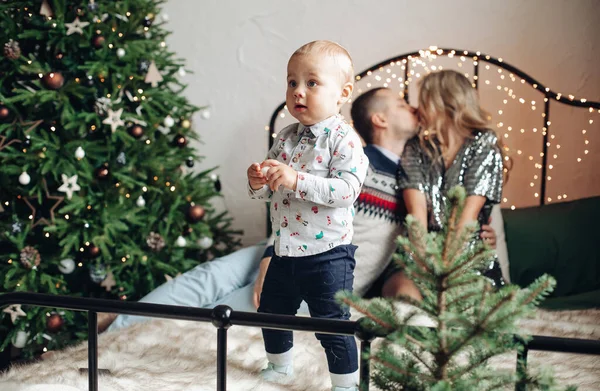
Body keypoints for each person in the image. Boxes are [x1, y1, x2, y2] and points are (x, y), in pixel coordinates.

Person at [106, 87, 501, 331]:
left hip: (317, 272)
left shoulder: (422, 181)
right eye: (402, 103)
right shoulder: (344, 156)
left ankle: (146, 339)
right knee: (208, 276)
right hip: (280, 246)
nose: (415, 109)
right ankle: (114, 331)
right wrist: (268, 257)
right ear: (379, 119)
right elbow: (290, 202)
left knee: (228, 312)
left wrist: (481, 232)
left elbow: (435, 235)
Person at [246, 40, 367, 391]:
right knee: (272, 311)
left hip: (328, 252)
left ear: (342, 93)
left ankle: (346, 385)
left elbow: (346, 191)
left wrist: (297, 179)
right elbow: (270, 191)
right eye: (292, 82)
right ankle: (280, 367)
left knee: (330, 323)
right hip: (285, 250)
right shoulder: (285, 138)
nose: (299, 91)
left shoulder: (344, 140)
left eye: (311, 83)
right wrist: (258, 182)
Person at [398, 70, 508, 286]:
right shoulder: (416, 148)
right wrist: (425, 264)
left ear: (444, 103)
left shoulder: (484, 144)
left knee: (469, 300)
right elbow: (417, 215)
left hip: (468, 254)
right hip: (423, 254)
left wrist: (445, 269)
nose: (418, 108)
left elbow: (468, 216)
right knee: (405, 290)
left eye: (424, 101)